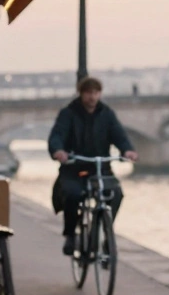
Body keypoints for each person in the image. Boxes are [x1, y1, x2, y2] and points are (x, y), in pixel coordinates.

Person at [48, 76, 138, 255]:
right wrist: (58, 151)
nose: (92, 97)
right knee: (72, 194)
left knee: (116, 194)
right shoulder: (68, 113)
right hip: (74, 168)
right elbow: (57, 134)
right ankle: (71, 235)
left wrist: (127, 150)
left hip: (100, 168)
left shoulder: (107, 114)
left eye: (96, 93)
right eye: (89, 93)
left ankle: (105, 231)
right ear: (81, 94)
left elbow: (119, 135)